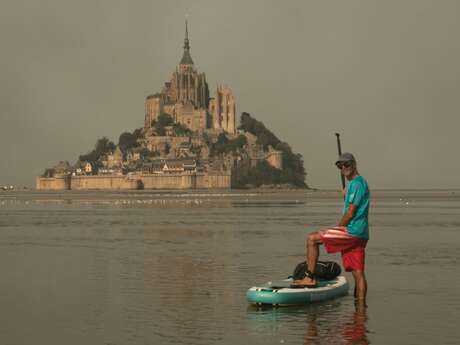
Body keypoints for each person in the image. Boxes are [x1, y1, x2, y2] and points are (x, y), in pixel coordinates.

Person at [292, 152, 370, 300]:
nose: (344, 168)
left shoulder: (356, 184)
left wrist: (339, 228)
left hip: (352, 231)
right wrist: (346, 195)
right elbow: (355, 204)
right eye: (340, 166)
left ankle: (309, 277)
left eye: (347, 164)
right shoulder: (360, 183)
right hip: (361, 234)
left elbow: (350, 213)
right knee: (358, 273)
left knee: (312, 239)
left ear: (354, 164)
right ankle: (360, 312)